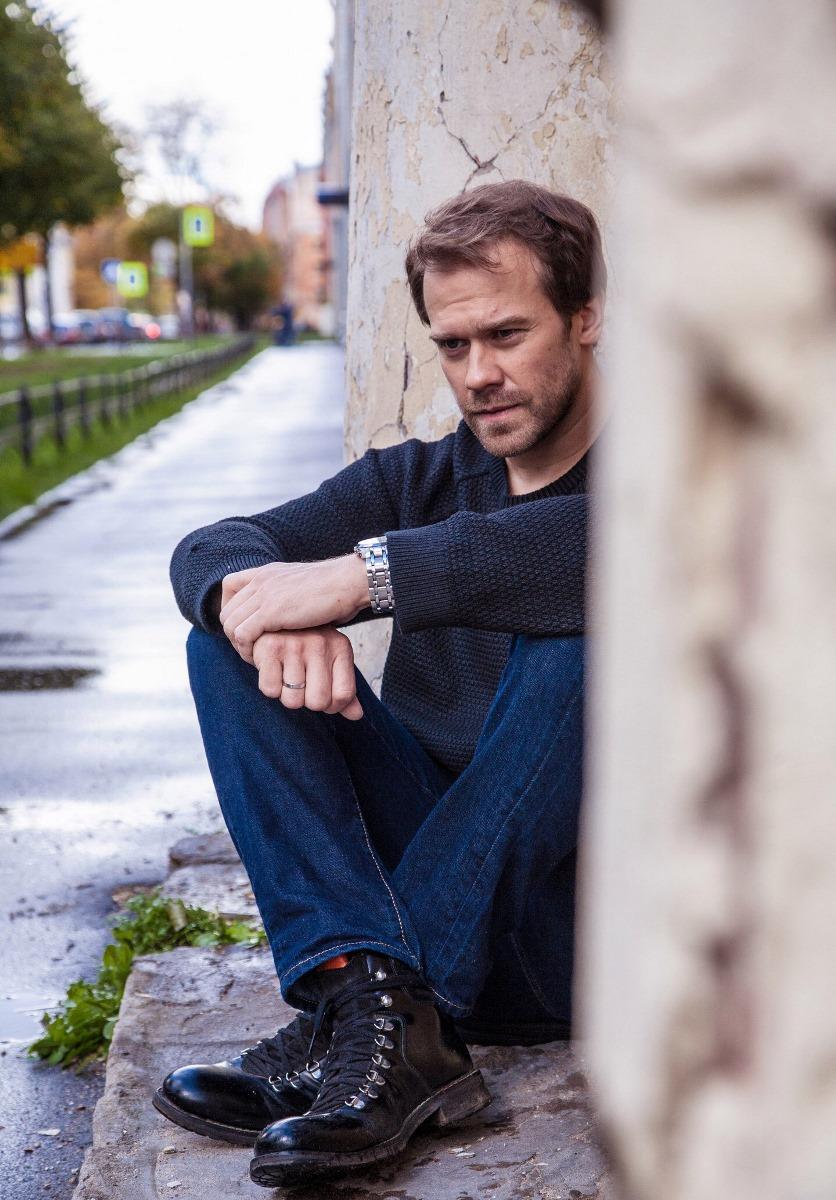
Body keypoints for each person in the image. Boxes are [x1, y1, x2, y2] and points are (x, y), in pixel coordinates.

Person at [153, 179, 605, 1188]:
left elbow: (601, 544)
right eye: (453, 345)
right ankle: (379, 1009)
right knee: (225, 640)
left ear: (584, 318)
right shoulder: (420, 480)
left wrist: (364, 579)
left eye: (506, 335)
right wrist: (261, 608)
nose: (479, 374)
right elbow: (213, 547)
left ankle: (369, 1016)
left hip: (577, 937)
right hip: (420, 900)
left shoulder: (669, 476)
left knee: (579, 634)